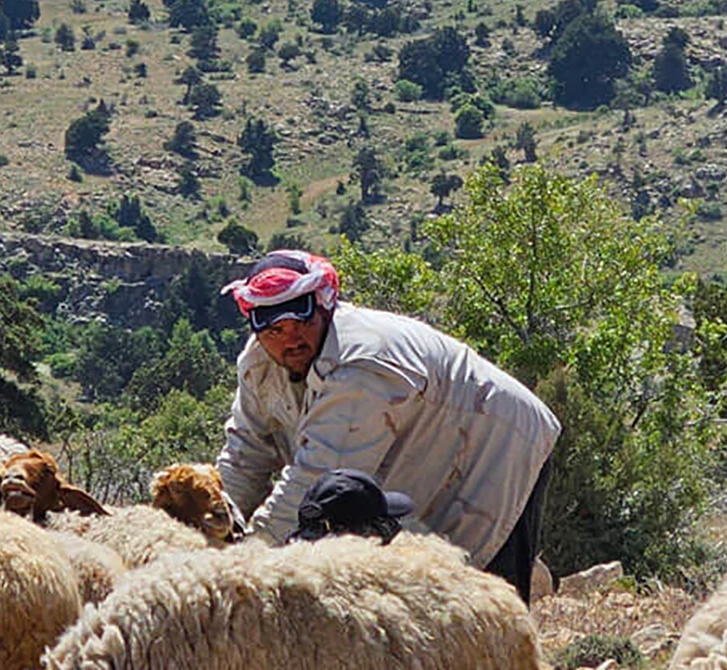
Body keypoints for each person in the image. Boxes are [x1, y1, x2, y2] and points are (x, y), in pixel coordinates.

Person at [215, 249, 559, 603]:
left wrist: (247, 558)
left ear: (324, 306)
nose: (291, 339)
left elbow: (315, 477)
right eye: (274, 329)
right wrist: (210, 530)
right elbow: (245, 455)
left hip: (498, 448)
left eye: (301, 322)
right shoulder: (258, 364)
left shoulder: (362, 365)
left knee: (484, 603)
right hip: (427, 458)